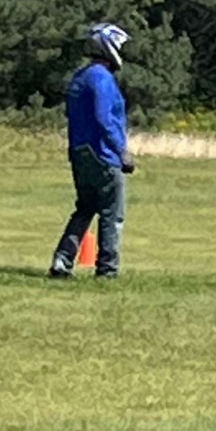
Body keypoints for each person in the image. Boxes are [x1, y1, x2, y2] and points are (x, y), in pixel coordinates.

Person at [48, 23, 135, 280]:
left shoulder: (81, 76)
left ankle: (62, 261)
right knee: (112, 213)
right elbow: (104, 118)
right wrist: (121, 151)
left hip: (79, 152)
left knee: (85, 208)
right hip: (103, 154)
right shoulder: (102, 78)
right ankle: (107, 269)